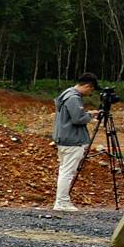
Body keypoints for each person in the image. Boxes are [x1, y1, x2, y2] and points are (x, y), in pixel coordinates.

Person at [50, 73, 98, 212]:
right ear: (87, 86)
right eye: (90, 90)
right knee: (67, 172)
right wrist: (90, 115)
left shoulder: (66, 94)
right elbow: (77, 119)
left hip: (64, 138)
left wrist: (87, 114)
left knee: (64, 171)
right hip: (72, 140)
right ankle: (62, 202)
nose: (89, 93)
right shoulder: (73, 98)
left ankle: (62, 201)